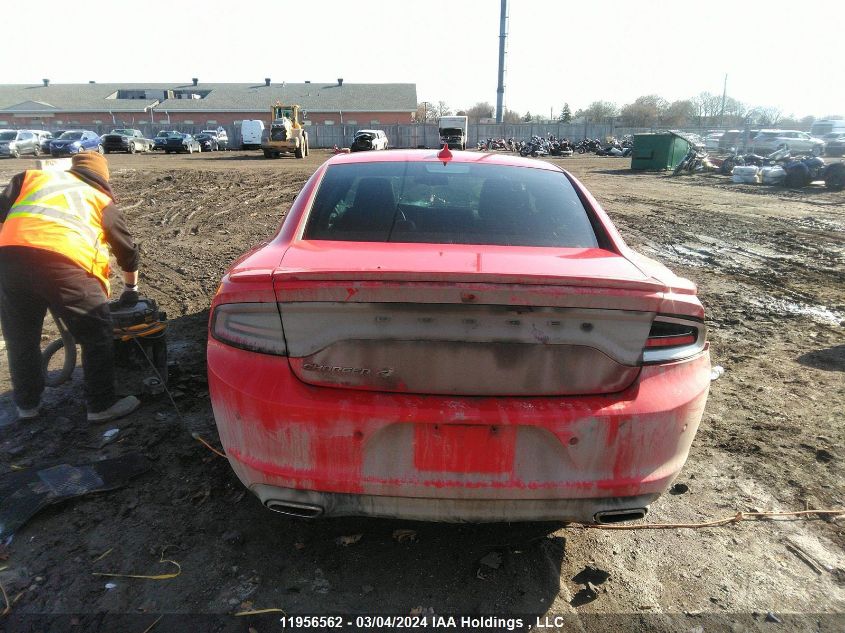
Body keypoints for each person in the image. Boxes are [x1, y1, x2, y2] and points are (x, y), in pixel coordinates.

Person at [0, 150, 141, 422]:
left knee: (21, 338)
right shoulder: (100, 199)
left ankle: (27, 406)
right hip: (65, 263)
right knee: (95, 331)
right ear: (103, 177)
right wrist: (130, 290)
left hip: (9, 262)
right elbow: (127, 252)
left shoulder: (30, 179)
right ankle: (100, 406)